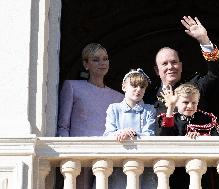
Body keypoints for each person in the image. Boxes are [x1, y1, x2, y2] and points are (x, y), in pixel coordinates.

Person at [56, 43, 124, 189]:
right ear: (86, 64)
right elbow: (63, 125)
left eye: (105, 59)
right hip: (79, 154)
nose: (102, 63)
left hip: (108, 154)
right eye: (95, 59)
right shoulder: (72, 87)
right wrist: (66, 153)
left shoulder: (119, 97)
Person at [144, 15, 219, 116]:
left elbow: (217, 74)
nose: (170, 67)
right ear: (157, 70)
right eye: (164, 64)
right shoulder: (148, 96)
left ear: (181, 66)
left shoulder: (196, 86)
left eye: (174, 62)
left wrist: (204, 41)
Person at [157, 83, 219, 189]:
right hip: (177, 171)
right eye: (185, 102)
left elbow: (217, 141)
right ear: (176, 103)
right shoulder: (170, 118)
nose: (190, 106)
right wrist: (170, 108)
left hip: (202, 170)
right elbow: (164, 137)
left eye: (194, 102)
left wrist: (201, 136)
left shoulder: (207, 118)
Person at [103, 68, 157, 189]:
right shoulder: (114, 108)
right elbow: (108, 134)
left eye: (142, 87)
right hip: (119, 162)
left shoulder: (149, 110)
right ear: (124, 87)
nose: (138, 90)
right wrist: (121, 132)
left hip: (142, 161)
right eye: (134, 85)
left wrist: (132, 134)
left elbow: (150, 134)